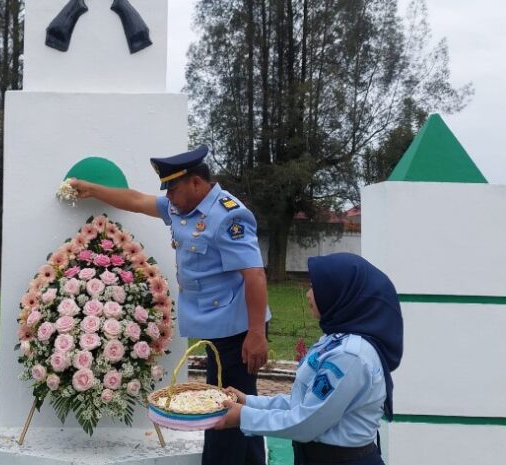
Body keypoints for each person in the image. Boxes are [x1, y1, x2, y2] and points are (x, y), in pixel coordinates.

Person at [70, 145, 270, 465]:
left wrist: (257, 333)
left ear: (196, 182)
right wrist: (92, 189)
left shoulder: (228, 214)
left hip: (239, 327)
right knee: (236, 401)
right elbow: (135, 200)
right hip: (214, 326)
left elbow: (255, 275)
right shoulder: (181, 208)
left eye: (174, 189)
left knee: (222, 410)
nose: (170, 197)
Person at [214, 253, 404, 465]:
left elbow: (306, 423)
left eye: (316, 288)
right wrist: (249, 401)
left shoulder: (349, 356)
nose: (308, 294)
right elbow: (304, 402)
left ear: (339, 294)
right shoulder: (334, 341)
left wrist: (243, 416)